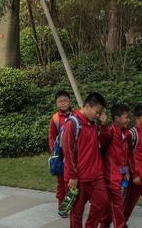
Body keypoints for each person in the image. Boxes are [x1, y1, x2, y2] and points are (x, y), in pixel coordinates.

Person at [62, 92, 110, 228]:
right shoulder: (73, 123)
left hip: (96, 175)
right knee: (77, 212)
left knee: (103, 202)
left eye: (100, 112)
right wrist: (73, 175)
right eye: (97, 112)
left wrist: (104, 125)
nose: (98, 115)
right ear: (87, 106)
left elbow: (104, 143)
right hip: (79, 178)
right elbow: (68, 151)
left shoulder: (93, 124)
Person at [99, 103, 132, 228]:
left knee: (112, 204)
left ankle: (103, 223)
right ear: (117, 118)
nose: (128, 120)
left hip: (119, 176)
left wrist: (126, 171)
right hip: (110, 176)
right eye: (126, 117)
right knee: (117, 203)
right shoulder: (109, 132)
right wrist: (103, 124)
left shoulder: (126, 134)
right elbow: (102, 139)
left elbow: (123, 157)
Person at [48, 90, 72, 216]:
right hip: (60, 156)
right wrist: (54, 151)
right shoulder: (55, 118)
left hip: (74, 155)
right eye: (60, 101)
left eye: (65, 100)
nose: (63, 103)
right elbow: (51, 136)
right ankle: (62, 207)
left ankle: (71, 205)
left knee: (72, 183)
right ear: (56, 104)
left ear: (70, 101)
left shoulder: (76, 115)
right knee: (61, 183)